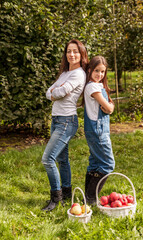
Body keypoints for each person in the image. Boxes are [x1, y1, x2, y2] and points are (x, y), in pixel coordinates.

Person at [42, 39, 89, 212]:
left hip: (67, 120)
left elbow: (59, 92)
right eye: (69, 51)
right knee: (62, 159)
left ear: (81, 53)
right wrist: (56, 91)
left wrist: (57, 91)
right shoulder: (64, 74)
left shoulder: (78, 74)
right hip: (57, 119)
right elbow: (50, 92)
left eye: (75, 51)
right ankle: (67, 193)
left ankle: (56, 198)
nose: (72, 54)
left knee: (48, 159)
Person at [84, 56, 115, 205]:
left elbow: (109, 106)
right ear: (89, 69)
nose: (100, 75)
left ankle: (88, 198)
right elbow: (108, 107)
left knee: (95, 163)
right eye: (97, 71)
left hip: (95, 129)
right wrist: (110, 107)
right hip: (98, 130)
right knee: (108, 164)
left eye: (103, 72)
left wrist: (110, 107)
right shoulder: (93, 87)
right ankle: (91, 198)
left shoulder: (97, 86)